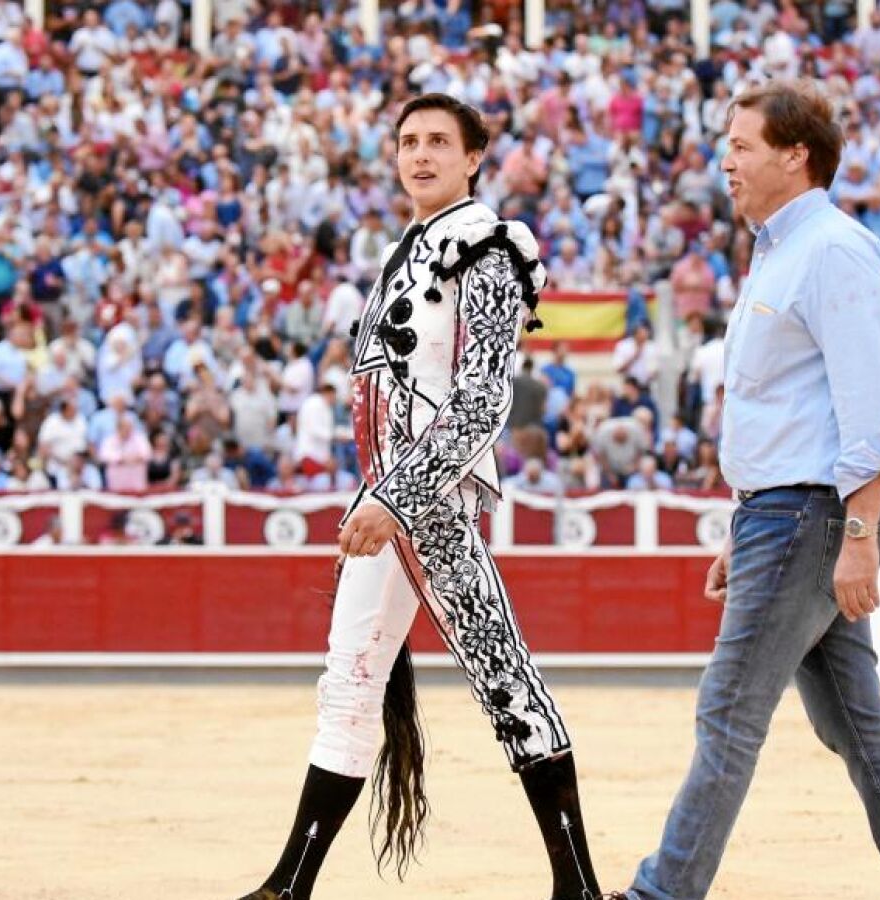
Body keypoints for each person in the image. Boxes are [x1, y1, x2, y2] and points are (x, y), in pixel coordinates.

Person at [235, 93, 605, 900]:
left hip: (432, 507)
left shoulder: (492, 250)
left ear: (473, 158)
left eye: (440, 141)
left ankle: (577, 887)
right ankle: (287, 887)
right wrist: (380, 498)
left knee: (504, 680)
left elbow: (482, 399)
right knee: (351, 684)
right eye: (408, 142)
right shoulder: (405, 250)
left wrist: (395, 498)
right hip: (390, 502)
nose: (421, 155)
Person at [612, 79, 880, 900]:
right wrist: (747, 525)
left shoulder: (832, 251)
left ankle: (664, 893)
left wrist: (859, 536)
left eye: (741, 147)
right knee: (853, 720)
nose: (725, 164)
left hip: (812, 515)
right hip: (785, 513)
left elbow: (870, 413)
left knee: (729, 710)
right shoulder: (782, 251)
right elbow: (791, 412)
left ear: (796, 155)